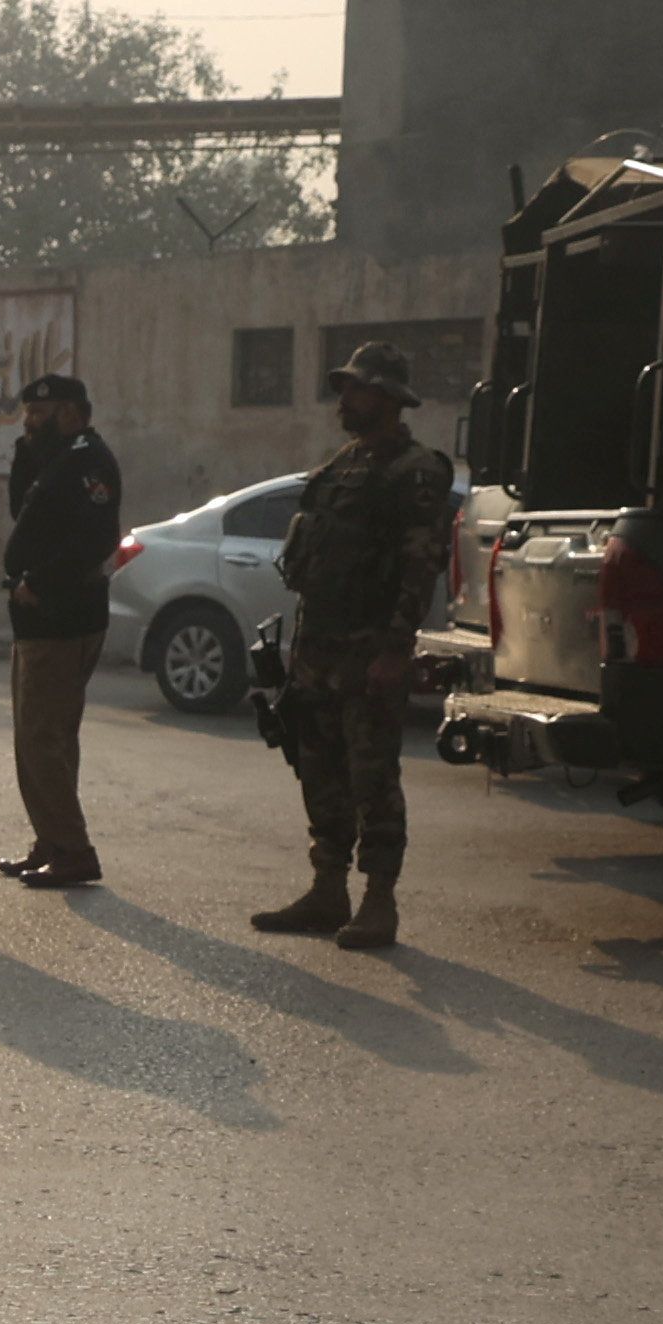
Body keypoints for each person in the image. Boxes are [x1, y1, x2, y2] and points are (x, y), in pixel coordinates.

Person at [254, 342, 454, 951]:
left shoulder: (415, 470)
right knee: (319, 769)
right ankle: (327, 889)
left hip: (370, 649)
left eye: (358, 389)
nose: (345, 399)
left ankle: (378, 900)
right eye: (345, 387)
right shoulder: (341, 465)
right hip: (320, 648)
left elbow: (420, 566)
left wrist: (396, 648)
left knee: (372, 777)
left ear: (390, 398)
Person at [0, 375, 125, 889]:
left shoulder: (89, 461)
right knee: (36, 737)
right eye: (27, 412)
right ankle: (50, 839)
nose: (29, 421)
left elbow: (94, 539)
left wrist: (40, 584)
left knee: (43, 737)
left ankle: (73, 849)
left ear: (71, 412)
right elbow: (21, 512)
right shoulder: (53, 458)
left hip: (62, 617)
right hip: (37, 621)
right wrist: (28, 449)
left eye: (40, 412)